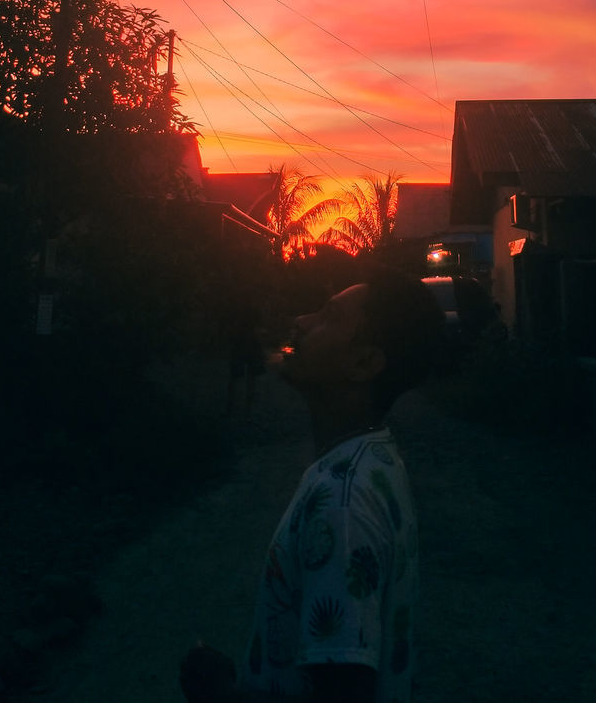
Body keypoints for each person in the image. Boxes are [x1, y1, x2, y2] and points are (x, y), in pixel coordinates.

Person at [180, 276, 445, 703]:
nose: (300, 322)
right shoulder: (372, 460)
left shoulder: (342, 505)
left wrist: (219, 694)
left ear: (362, 364)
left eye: (329, 317)